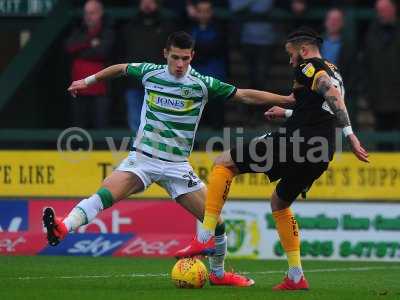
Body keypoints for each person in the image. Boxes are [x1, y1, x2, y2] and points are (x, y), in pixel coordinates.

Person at [43, 31, 294, 287]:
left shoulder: (202, 84)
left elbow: (244, 95)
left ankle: (218, 275)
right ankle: (62, 228)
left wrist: (285, 100)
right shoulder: (150, 72)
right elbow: (120, 68)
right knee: (104, 196)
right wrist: (86, 81)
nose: (179, 64)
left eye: (185, 59)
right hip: (143, 159)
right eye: (175, 58)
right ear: (166, 54)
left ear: (192, 56)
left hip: (177, 166)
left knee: (217, 224)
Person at [176, 27, 369, 291]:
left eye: (291, 55)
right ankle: (296, 276)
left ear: (302, 51)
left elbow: (329, 95)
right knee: (279, 202)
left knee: (223, 162)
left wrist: (351, 135)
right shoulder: (334, 69)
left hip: (297, 143)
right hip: (321, 151)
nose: (290, 61)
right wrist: (288, 114)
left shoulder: (309, 67)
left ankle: (206, 236)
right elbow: (318, 112)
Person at [122, 0, 175, 133]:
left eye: (151, 1)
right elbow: (122, 54)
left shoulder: (167, 27)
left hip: (159, 84)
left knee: (158, 124)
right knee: (135, 124)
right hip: (134, 83)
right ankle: (137, 152)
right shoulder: (130, 26)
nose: (147, 4)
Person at [65, 0, 114, 129]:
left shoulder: (109, 31)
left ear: (100, 13)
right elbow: (69, 47)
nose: (88, 16)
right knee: (79, 127)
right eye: (86, 13)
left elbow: (103, 52)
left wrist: (81, 50)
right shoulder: (78, 30)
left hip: (100, 88)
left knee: (101, 126)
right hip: (79, 89)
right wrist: (90, 42)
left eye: (92, 13)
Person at [364, 0, 400, 149]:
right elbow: (366, 65)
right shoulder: (371, 33)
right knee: (383, 142)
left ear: (394, 9)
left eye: (385, 9)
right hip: (379, 98)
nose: (382, 13)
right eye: (379, 10)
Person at [189, 0, 228, 129]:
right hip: (194, 84)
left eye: (206, 11)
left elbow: (216, 48)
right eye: (200, 11)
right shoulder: (189, 28)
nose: (203, 15)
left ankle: (217, 148)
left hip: (215, 82)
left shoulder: (220, 29)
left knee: (216, 120)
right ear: (195, 12)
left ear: (211, 12)